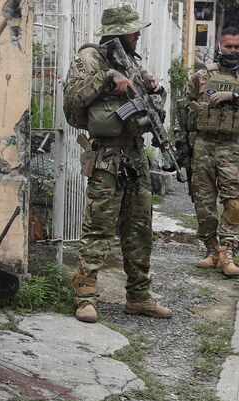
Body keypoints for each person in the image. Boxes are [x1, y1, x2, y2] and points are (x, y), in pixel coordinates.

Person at [64, 2, 172, 323]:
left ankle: (139, 296)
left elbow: (150, 107)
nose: (137, 35)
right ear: (116, 34)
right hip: (107, 158)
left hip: (136, 155)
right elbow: (71, 101)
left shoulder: (133, 63)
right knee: (98, 229)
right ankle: (85, 297)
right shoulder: (89, 59)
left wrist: (157, 90)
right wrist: (107, 77)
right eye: (132, 31)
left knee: (140, 229)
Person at [178, 27, 239, 277]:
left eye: (237, 47)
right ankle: (212, 250)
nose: (232, 51)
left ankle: (228, 252)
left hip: (231, 146)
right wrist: (181, 146)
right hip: (203, 145)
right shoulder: (201, 77)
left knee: (235, 201)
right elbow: (184, 109)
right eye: (228, 46)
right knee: (204, 204)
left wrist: (235, 96)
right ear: (219, 47)